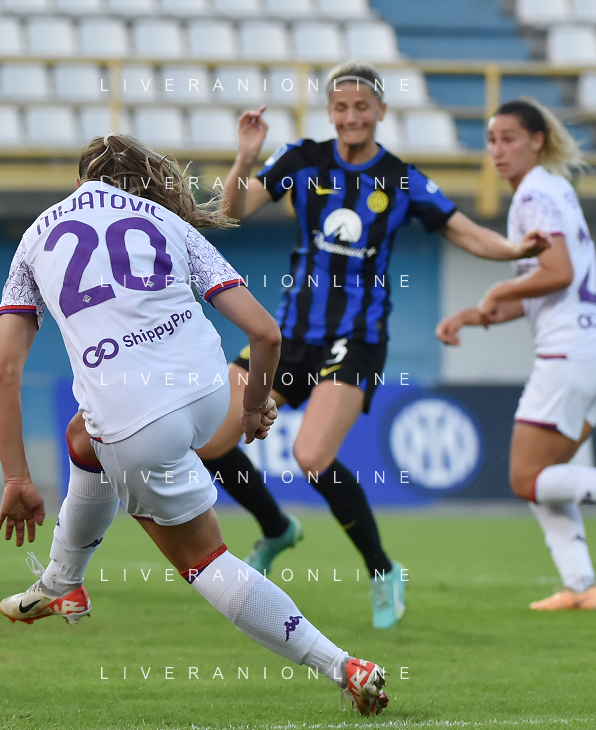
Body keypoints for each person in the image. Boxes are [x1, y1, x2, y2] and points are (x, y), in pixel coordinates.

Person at [46, 59, 551, 631]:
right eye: (341, 107)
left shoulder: (402, 178)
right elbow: (231, 211)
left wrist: (515, 251)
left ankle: (383, 570)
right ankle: (277, 528)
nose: (352, 117)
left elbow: (464, 230)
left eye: (362, 107)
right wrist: (244, 158)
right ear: (330, 112)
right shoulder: (303, 161)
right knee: (208, 440)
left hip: (356, 340)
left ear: (381, 112)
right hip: (291, 338)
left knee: (312, 457)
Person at [0, 134, 391, 715]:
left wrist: (16, 478)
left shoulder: (35, 237)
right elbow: (265, 333)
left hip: (136, 422)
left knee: (206, 562)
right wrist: (252, 406)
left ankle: (343, 666)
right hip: (208, 393)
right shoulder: (168, 222)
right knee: (83, 437)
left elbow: (3, 374)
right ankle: (62, 583)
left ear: (80, 182)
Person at [436, 97, 596, 611]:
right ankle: (582, 586)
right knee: (544, 482)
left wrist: (499, 290)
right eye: (491, 140)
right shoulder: (556, 188)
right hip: (584, 347)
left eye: (509, 139)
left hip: (567, 352)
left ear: (537, 141)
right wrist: (474, 315)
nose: (498, 150)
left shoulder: (533, 194)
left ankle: (580, 585)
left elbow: (559, 272)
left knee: (526, 478)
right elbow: (543, 289)